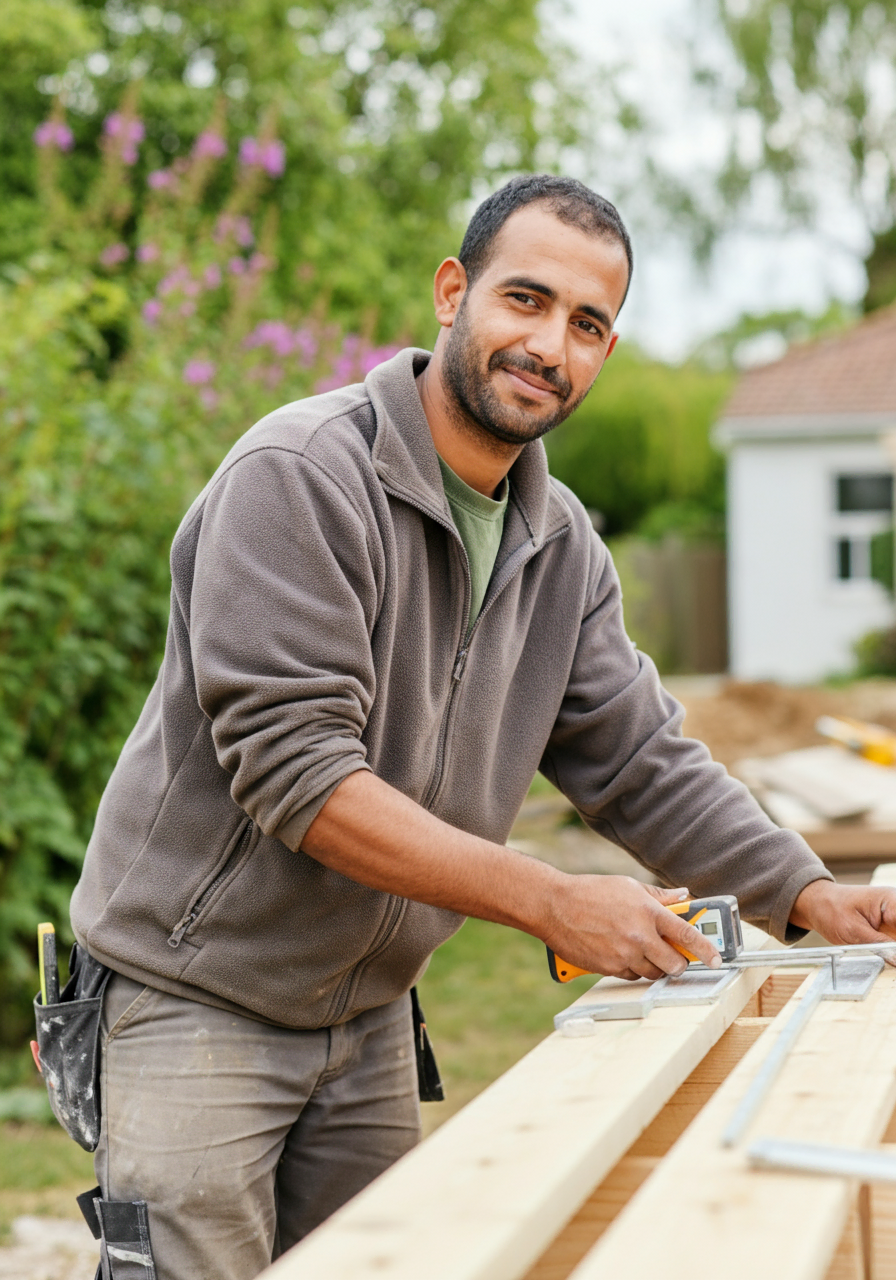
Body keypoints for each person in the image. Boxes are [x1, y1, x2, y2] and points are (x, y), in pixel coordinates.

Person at [69, 174, 896, 1280]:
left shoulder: (559, 545)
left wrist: (805, 891)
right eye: (525, 299)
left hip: (362, 1013)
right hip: (192, 996)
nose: (548, 343)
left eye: (586, 323)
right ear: (452, 292)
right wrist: (551, 899)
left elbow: (639, 759)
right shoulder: (301, 478)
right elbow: (301, 779)